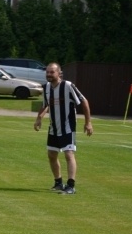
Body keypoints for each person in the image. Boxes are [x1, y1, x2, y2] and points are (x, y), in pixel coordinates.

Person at [34, 62, 93, 194]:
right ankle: (58, 183)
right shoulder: (47, 88)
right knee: (51, 155)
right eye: (47, 72)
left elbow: (84, 101)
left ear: (59, 73)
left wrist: (88, 122)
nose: (49, 74)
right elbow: (45, 105)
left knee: (68, 154)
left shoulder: (68, 86)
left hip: (68, 127)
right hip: (53, 128)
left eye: (52, 72)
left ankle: (71, 186)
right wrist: (39, 118)